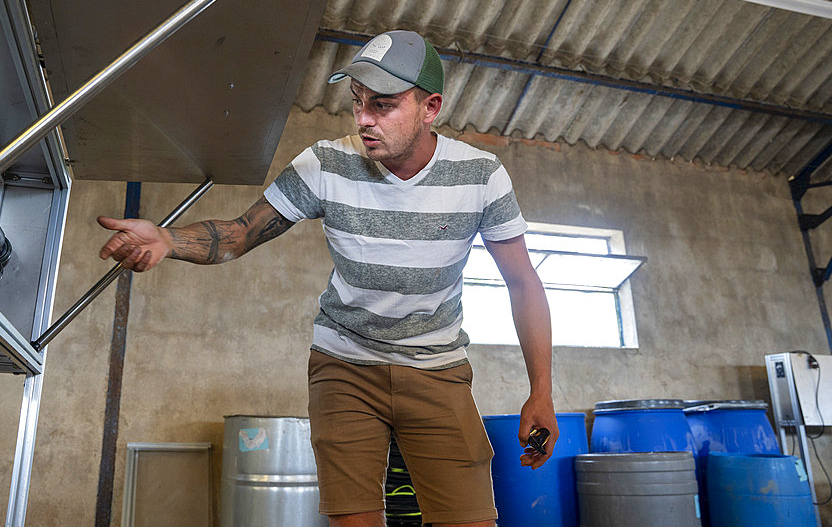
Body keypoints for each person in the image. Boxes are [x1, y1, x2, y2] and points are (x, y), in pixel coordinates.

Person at [98, 30, 558, 527]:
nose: (363, 119)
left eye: (383, 105)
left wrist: (541, 390)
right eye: (358, 102)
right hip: (346, 365)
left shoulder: (481, 175)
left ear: (430, 108)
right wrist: (166, 239)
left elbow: (524, 284)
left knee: (469, 520)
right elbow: (237, 234)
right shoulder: (325, 164)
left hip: (438, 368)